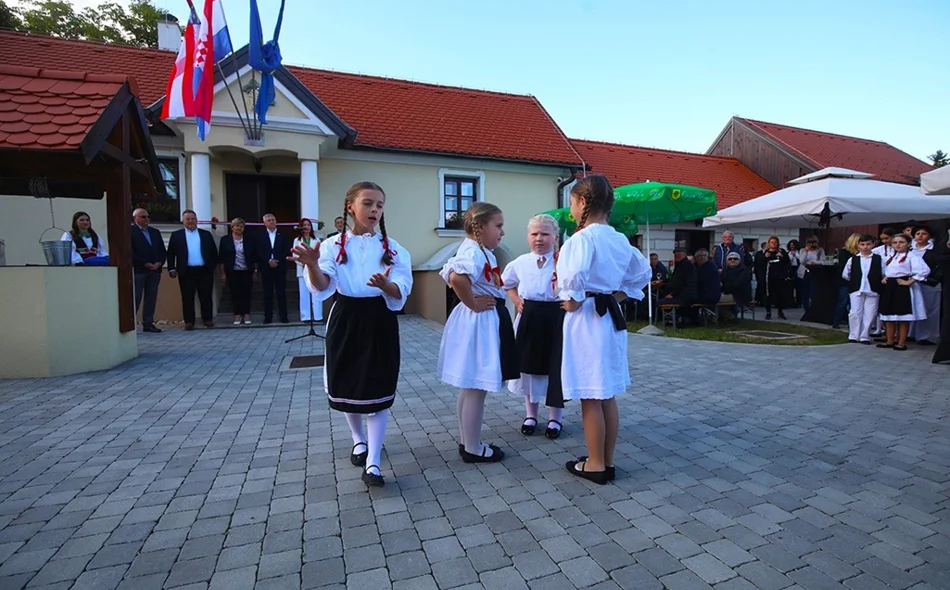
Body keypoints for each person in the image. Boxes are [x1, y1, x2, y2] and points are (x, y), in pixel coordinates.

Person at [291, 181, 412, 487]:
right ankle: (359, 439)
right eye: (368, 203)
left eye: (379, 205)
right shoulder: (331, 246)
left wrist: (386, 286)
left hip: (379, 319)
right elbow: (321, 286)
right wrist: (313, 264)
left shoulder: (394, 248)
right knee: (348, 382)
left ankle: (373, 461)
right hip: (346, 316)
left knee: (377, 385)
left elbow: (401, 287)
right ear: (350, 207)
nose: (374, 210)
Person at [558, 175, 650, 485]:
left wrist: (571, 300)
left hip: (586, 321)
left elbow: (571, 282)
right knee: (606, 393)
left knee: (590, 395)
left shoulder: (581, 240)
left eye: (572, 202)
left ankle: (595, 464)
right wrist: (616, 295)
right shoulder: (619, 239)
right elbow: (642, 273)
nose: (571, 209)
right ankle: (606, 460)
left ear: (583, 202)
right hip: (609, 319)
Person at [438, 202, 518, 464]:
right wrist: (472, 302)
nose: (502, 232)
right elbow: (457, 278)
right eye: (498, 226)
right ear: (481, 227)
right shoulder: (472, 252)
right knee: (476, 387)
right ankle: (472, 447)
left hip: (478, 321)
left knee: (471, 386)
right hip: (479, 322)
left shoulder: (480, 251)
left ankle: (468, 440)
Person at [502, 214, 565, 440]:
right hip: (529, 317)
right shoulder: (520, 262)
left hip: (555, 317)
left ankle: (555, 417)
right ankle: (531, 415)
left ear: (555, 237)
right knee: (527, 368)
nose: (539, 238)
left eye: (545, 234)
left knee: (553, 368)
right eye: (534, 234)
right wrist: (517, 300)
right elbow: (507, 283)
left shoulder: (563, 261)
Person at [877, 233, 929, 351]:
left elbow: (924, 270)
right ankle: (890, 340)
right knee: (888, 315)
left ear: (909, 243)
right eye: (895, 242)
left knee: (902, 316)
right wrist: (886, 277)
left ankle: (901, 342)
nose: (898, 245)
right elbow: (889, 270)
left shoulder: (912, 256)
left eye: (901, 242)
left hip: (902, 287)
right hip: (890, 287)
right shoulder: (892, 257)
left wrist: (909, 282)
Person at [167, 210, 218, 330]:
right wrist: (171, 269)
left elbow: (213, 253)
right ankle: (189, 321)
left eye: (193, 219)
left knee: (206, 296)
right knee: (187, 297)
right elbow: (170, 254)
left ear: (196, 220)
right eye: (187, 219)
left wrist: (211, 268)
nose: (190, 221)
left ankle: (207, 319)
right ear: (183, 221)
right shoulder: (176, 235)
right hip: (186, 271)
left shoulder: (206, 234)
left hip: (204, 271)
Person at [841, 235, 884, 344]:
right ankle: (854, 335)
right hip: (856, 288)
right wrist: (855, 280)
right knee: (855, 312)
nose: (865, 247)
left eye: (868, 244)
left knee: (870, 313)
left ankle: (865, 335)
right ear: (858, 245)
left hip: (873, 289)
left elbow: (884, 273)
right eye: (863, 244)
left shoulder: (879, 259)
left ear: (873, 244)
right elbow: (846, 274)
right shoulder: (853, 259)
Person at [131, 208, 166, 333]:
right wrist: (144, 263)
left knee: (151, 297)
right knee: (136, 297)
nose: (147, 219)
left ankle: (148, 323)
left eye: (147, 217)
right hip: (139, 270)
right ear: (135, 218)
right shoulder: (130, 231)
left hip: (155, 270)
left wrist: (159, 263)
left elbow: (162, 250)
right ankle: (131, 324)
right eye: (143, 217)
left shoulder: (155, 232)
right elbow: (130, 252)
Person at [218, 217, 256, 325]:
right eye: (236, 226)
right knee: (235, 293)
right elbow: (221, 258)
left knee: (246, 293)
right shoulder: (225, 240)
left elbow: (254, 256)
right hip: (232, 271)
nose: (238, 228)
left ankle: (246, 313)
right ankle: (237, 314)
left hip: (247, 270)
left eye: (241, 226)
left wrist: (255, 271)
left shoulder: (249, 240)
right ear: (232, 227)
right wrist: (222, 273)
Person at [908, 224, 941, 345]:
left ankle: (928, 336)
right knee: (912, 308)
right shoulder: (909, 249)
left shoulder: (935, 250)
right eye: (918, 234)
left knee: (930, 310)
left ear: (929, 236)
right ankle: (910, 333)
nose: (920, 236)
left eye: (924, 234)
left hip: (929, 283)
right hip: (911, 283)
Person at [258, 213, 290, 324]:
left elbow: (286, 250)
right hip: (266, 267)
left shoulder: (283, 235)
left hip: (279, 267)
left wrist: (277, 260)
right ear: (264, 223)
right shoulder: (260, 236)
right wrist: (268, 260)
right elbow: (258, 251)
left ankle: (283, 317)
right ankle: (268, 317)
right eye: (269, 220)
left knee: (281, 293)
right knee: (267, 293)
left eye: (273, 219)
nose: (271, 222)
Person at [293, 218, 323, 323]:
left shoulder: (316, 240)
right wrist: (305, 263)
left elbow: (320, 255)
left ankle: (318, 316)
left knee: (316, 292)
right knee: (304, 294)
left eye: (308, 225)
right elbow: (295, 255)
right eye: (304, 225)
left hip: (314, 270)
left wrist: (311, 264)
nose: (306, 227)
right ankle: (306, 316)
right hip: (302, 269)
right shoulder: (297, 240)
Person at [832, 233, 861, 329]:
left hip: (855, 281)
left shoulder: (859, 253)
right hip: (845, 281)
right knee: (843, 302)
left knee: (853, 304)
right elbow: (844, 267)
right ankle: (836, 321)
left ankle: (851, 323)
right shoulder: (844, 252)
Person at [759, 236, 789, 320]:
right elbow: (759, 264)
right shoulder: (765, 253)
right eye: (772, 242)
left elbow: (787, 263)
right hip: (768, 278)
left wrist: (782, 257)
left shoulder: (782, 252)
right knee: (768, 296)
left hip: (780, 278)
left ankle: (780, 312)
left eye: (775, 242)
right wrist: (765, 257)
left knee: (780, 296)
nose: (774, 244)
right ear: (769, 243)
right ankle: (768, 312)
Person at [797, 237, 825, 312]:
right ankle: (807, 309)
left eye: (814, 243)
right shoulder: (802, 250)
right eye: (810, 243)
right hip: (804, 272)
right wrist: (806, 250)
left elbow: (822, 261)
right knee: (804, 292)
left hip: (815, 272)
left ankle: (814, 308)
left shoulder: (820, 250)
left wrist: (813, 262)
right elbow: (802, 261)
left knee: (813, 292)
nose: (812, 245)